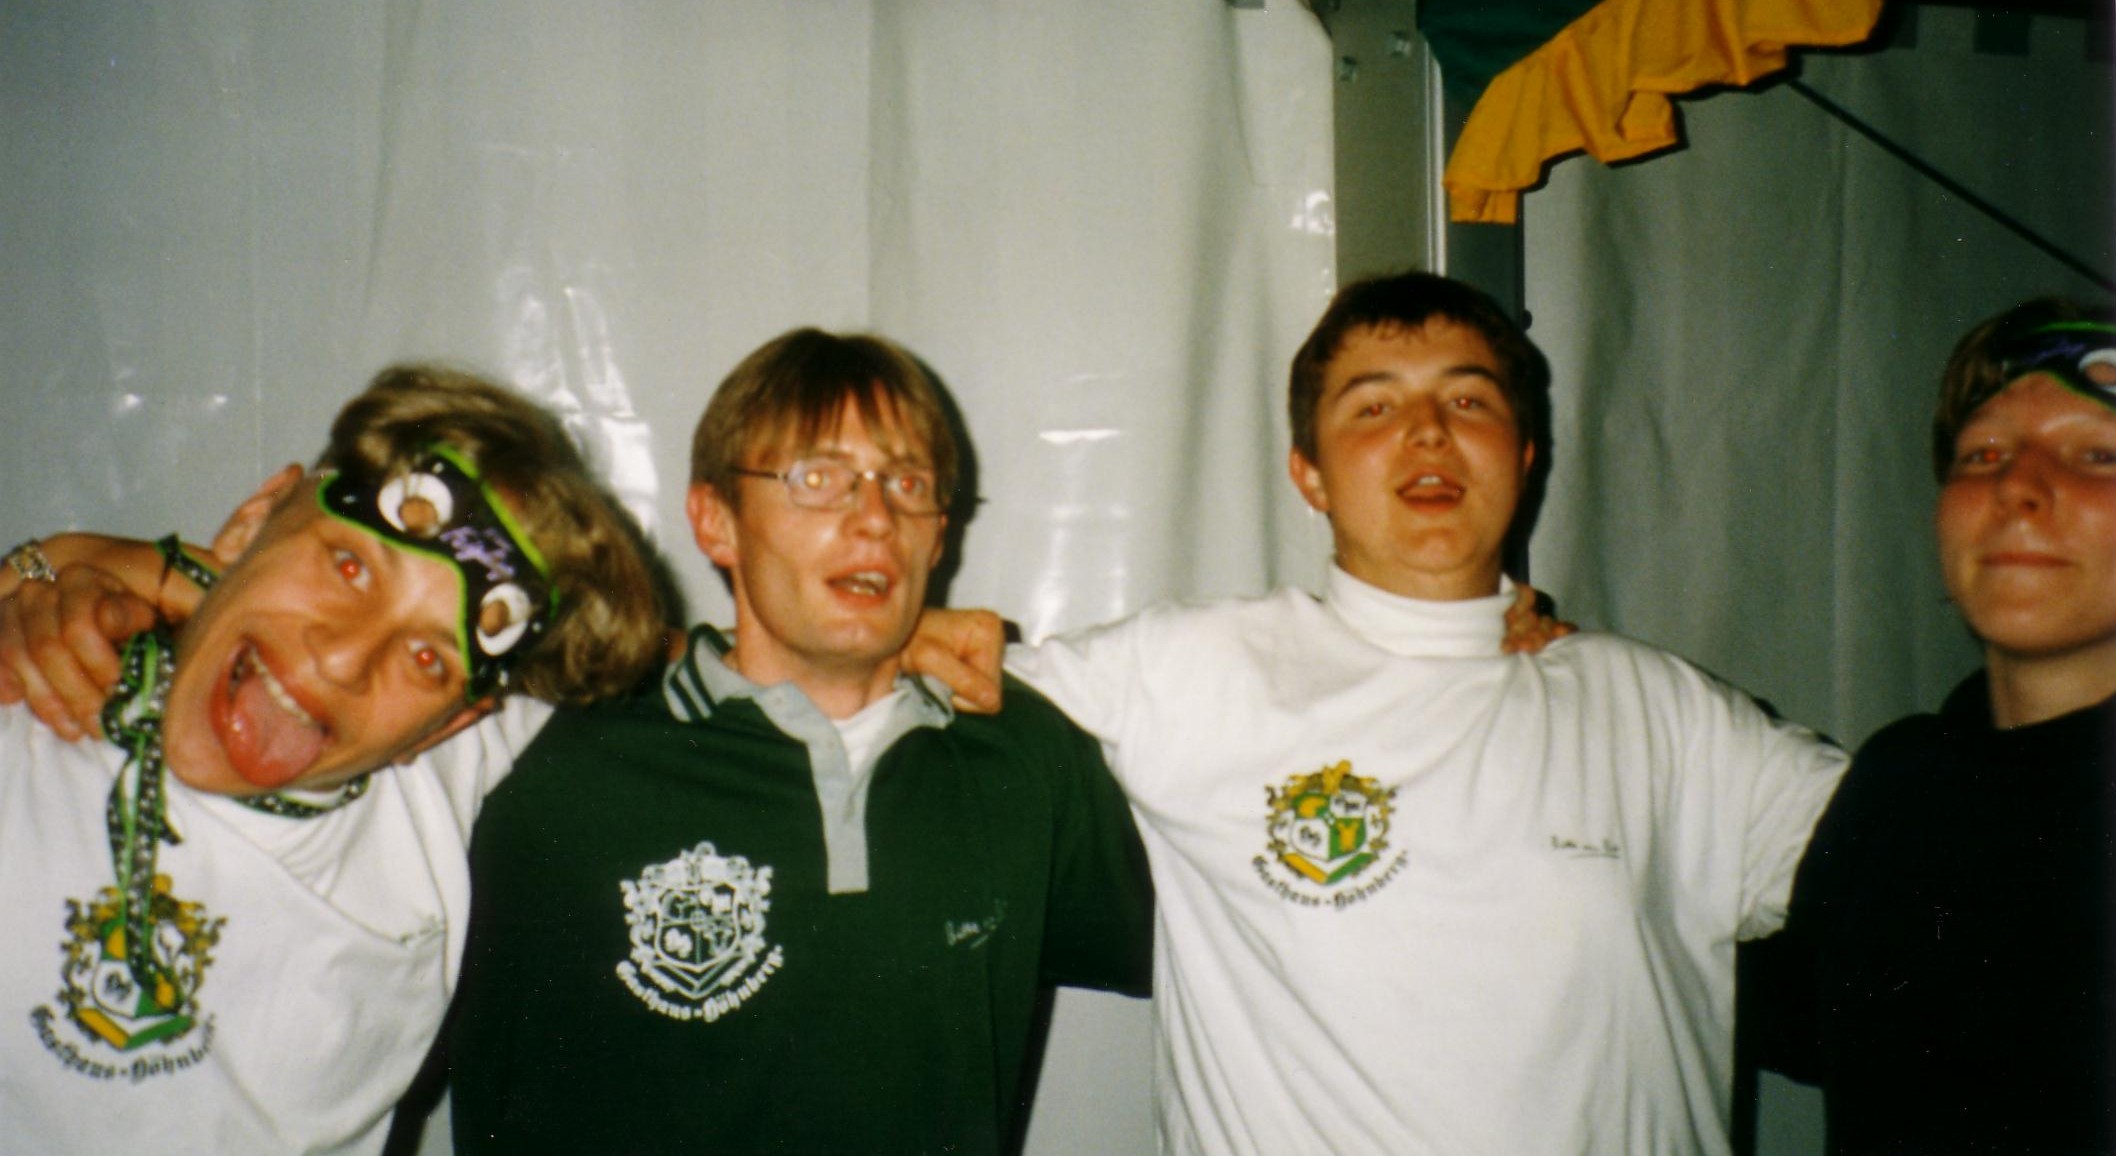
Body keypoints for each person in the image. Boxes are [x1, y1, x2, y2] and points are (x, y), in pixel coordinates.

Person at [913, 271, 1849, 1154]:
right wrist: (908, 629)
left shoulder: (1661, 712)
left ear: (1525, 456)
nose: (1429, 432)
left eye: (1468, 400)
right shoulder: (1193, 670)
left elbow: (1909, 863)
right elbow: (895, 678)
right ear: (1309, 474)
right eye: (1374, 407)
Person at [441, 328, 1155, 1154]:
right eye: (818, 479)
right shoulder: (553, 761)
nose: (876, 519)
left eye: (908, 484)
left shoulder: (1023, 757)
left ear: (939, 534)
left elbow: (1223, 941)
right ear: (717, 521)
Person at [0, 364, 667, 1154]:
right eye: (349, 567)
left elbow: (733, 658)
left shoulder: (436, 779)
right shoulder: (30, 700)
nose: (346, 659)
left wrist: (72, 555)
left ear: (449, 727)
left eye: (428, 658)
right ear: (253, 522)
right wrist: (40, 566)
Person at [1754, 300, 2116, 1154]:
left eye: (2099, 455)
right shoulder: (1908, 778)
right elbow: (1802, 1019)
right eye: (1983, 453)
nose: (2016, 487)